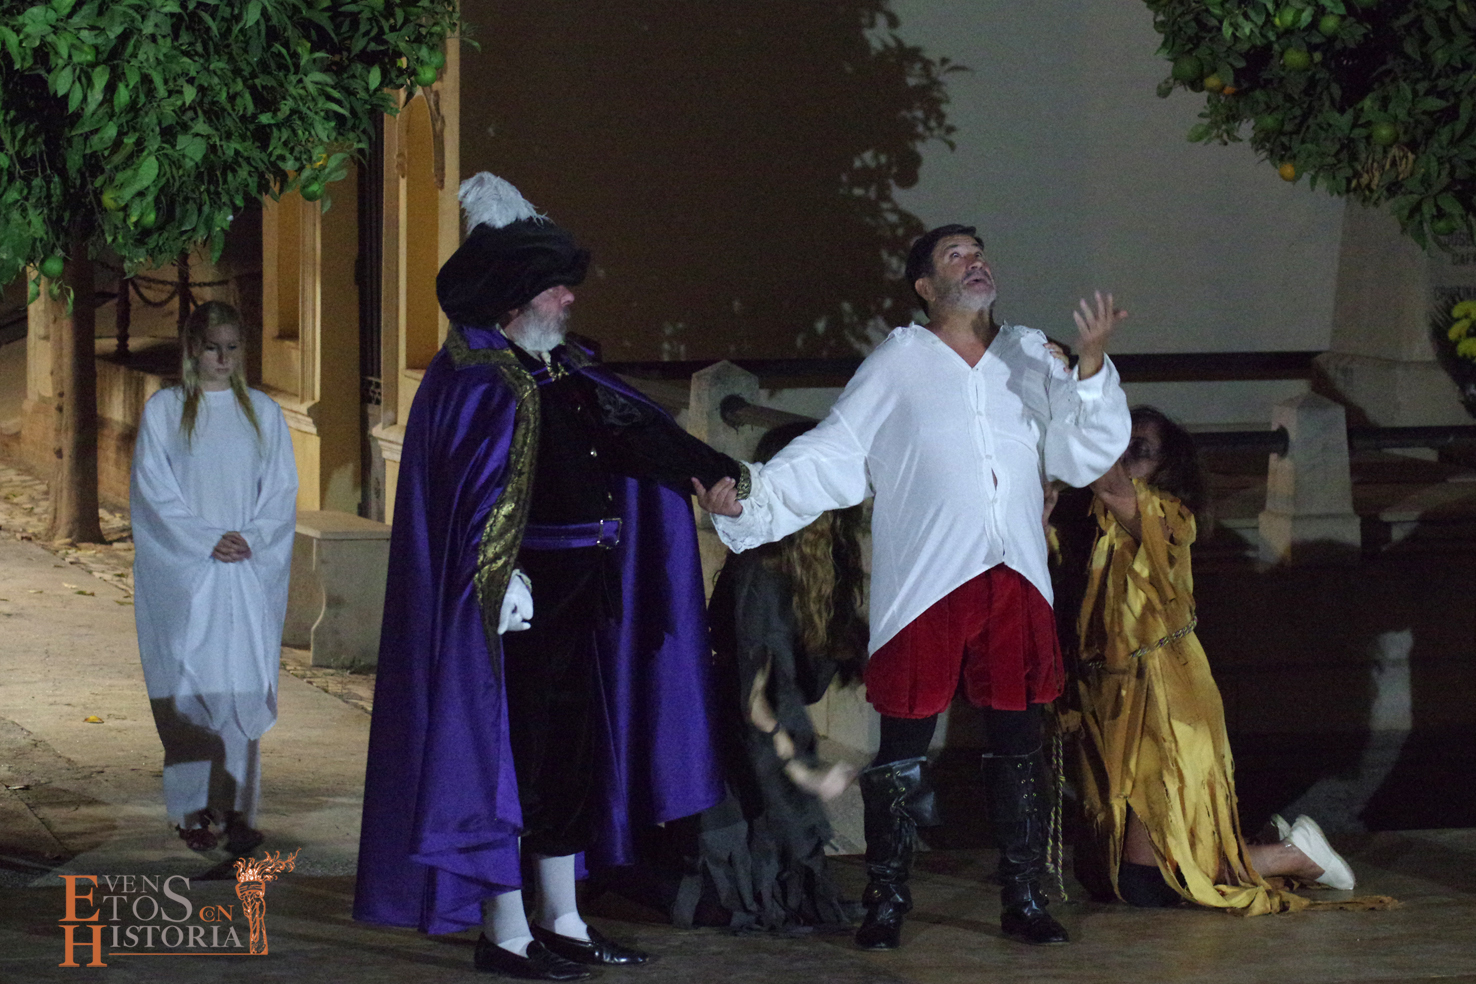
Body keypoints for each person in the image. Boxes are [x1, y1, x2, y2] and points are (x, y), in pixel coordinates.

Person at [694, 224, 1132, 949]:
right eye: (957, 256)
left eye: (979, 252)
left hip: (1015, 573)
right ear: (926, 286)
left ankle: (1025, 896)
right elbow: (836, 450)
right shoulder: (899, 361)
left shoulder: (1030, 353)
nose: (976, 262)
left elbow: (1081, 452)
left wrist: (1089, 364)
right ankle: (886, 900)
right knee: (902, 742)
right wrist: (753, 496)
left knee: (1019, 740)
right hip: (930, 578)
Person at [354, 173, 742, 980]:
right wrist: (497, 578)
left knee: (570, 760)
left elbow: (633, 430)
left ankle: (562, 919)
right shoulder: (474, 381)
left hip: (584, 594)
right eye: (556, 287)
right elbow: (466, 502)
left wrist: (710, 471)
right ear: (514, 298)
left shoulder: (562, 371)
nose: (570, 300)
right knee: (511, 762)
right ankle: (505, 933)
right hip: (510, 609)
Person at [1060, 405, 1358, 915]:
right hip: (1113, 698)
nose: (1121, 456)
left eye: (1138, 449)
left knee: (1144, 883)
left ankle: (1290, 856)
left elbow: (1108, 482)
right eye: (1119, 443)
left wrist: (1080, 386)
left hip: (1162, 702)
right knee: (1102, 874)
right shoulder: (1092, 522)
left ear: (1168, 467)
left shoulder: (1166, 516)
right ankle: (1267, 845)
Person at [623, 420, 868, 932]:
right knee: (734, 902)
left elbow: (806, 681)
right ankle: (618, 870)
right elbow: (758, 698)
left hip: (757, 729)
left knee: (778, 891)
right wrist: (800, 770)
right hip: (732, 737)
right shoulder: (762, 572)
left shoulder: (827, 567)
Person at [131, 301, 298, 855]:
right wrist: (205, 537)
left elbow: (280, 489)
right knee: (189, 683)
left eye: (232, 348)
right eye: (211, 348)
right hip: (190, 571)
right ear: (192, 348)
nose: (222, 359)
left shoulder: (263, 413)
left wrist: (251, 536)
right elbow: (154, 492)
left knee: (240, 684)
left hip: (245, 571)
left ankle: (237, 807)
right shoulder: (166, 411)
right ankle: (191, 809)